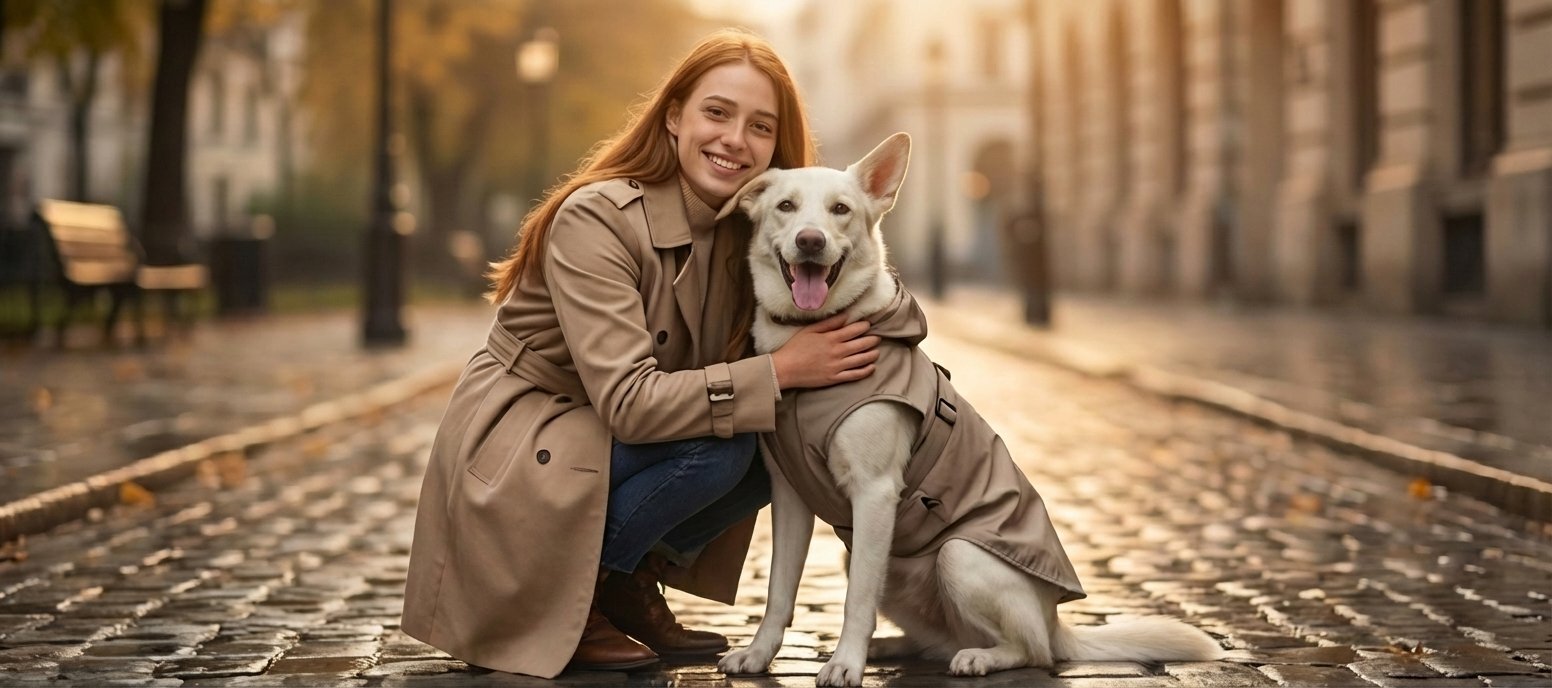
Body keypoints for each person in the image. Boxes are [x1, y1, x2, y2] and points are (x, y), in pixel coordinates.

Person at [400, 28, 882, 678]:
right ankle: (580, 590)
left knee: (785, 444)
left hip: (601, 437)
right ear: (675, 116)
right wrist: (780, 370)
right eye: (717, 113)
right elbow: (629, 403)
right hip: (528, 446)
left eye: (760, 126)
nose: (735, 139)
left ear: (776, 148)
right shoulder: (596, 218)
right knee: (727, 443)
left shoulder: (758, 232)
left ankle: (627, 577)